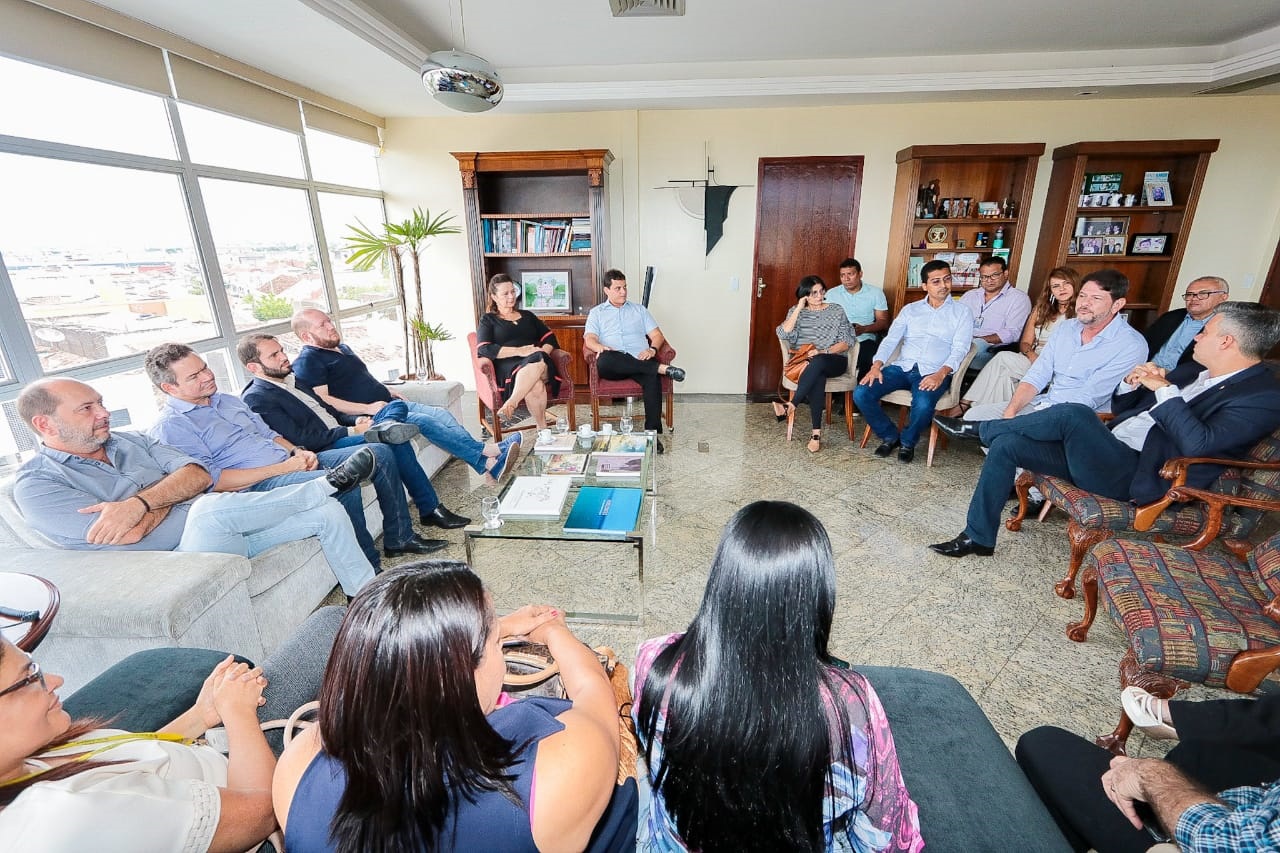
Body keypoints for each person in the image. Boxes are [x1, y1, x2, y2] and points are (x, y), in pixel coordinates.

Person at [273, 561, 635, 852]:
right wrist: (556, 632)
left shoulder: (297, 767)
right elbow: (593, 693)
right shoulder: (557, 772)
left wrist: (497, 627)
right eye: (495, 642)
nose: (501, 649)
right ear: (460, 675)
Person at [634, 501, 923, 851]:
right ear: (815, 596)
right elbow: (886, 833)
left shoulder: (654, 660)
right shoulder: (851, 706)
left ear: (723, 580)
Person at [929, 301, 1280, 558]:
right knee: (1008, 444)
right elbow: (1127, 409)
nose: (1197, 337)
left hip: (1144, 476)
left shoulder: (1262, 396)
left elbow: (1199, 444)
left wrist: (1163, 389)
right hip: (1108, 453)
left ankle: (979, 429)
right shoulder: (1192, 372)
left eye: (1205, 331)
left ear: (1227, 342)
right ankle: (978, 538)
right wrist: (1132, 384)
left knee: (1075, 414)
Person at [0, 607, 343, 851]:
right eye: (30, 677)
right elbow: (264, 811)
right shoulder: (68, 819)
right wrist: (238, 714)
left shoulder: (21, 761)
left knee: (334, 629)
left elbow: (137, 758)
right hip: (254, 788)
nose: (56, 681)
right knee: (350, 662)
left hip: (220, 755)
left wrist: (200, 715)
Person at [12, 378, 376, 596]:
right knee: (208, 507)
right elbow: (129, 534)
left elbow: (200, 475)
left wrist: (138, 502)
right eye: (87, 409)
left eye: (101, 404)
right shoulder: (38, 485)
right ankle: (321, 485)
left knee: (327, 512)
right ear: (46, 424)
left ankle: (366, 601)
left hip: (222, 532)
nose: (103, 413)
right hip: (173, 563)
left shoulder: (131, 441)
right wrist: (172, 490)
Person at [146, 343, 446, 566]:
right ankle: (370, 567)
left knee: (379, 452)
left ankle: (400, 538)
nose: (207, 376)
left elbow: (267, 434)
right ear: (169, 387)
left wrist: (296, 451)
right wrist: (285, 467)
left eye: (204, 368)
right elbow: (214, 482)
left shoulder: (225, 400)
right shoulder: (173, 427)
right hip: (256, 486)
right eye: (194, 376)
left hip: (288, 462)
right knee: (344, 482)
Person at [237, 333, 470, 532]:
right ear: (254, 367)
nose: (284, 357)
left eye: (281, 350)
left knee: (394, 406)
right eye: (274, 355)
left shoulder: (292, 380)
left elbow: (329, 411)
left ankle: (386, 425)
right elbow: (303, 440)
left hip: (343, 430)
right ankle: (428, 509)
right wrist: (350, 430)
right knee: (395, 442)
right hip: (327, 446)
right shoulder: (257, 397)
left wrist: (355, 419)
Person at [1017, 690, 1280, 852]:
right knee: (1201, 752)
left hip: (1210, 837)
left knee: (1044, 745)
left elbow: (1225, 843)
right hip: (1261, 797)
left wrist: (1151, 777)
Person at [289, 308, 522, 480]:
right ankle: (489, 457)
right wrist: (368, 409)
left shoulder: (342, 348)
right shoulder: (309, 361)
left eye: (329, 321)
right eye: (322, 325)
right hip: (376, 415)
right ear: (306, 336)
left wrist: (389, 390)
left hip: (389, 402)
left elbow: (358, 379)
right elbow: (325, 400)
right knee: (426, 421)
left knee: (442, 415)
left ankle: (490, 457)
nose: (331, 326)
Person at [959, 269, 1146, 422]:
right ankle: (1019, 457)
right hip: (1045, 403)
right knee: (976, 417)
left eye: (1096, 298)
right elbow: (1038, 374)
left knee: (1007, 438)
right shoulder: (1067, 328)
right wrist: (1010, 413)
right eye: (1082, 296)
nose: (1085, 304)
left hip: (1078, 417)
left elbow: (1090, 397)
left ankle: (1023, 458)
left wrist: (1035, 419)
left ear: (1117, 304)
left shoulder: (1131, 345)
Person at [853, 260, 974, 463]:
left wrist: (941, 373)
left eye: (947, 279)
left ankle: (908, 441)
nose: (943, 285)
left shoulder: (962, 312)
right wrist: (876, 366)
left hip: (934, 371)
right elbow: (891, 339)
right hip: (902, 367)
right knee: (862, 392)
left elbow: (960, 349)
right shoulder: (910, 310)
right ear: (925, 286)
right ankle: (890, 436)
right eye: (936, 281)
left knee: (924, 403)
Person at [583, 269, 687, 452]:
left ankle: (652, 435)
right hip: (613, 362)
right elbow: (589, 339)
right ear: (606, 290)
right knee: (606, 360)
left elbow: (657, 336)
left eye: (625, 287)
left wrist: (652, 349)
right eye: (617, 288)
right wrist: (600, 348)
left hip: (641, 360)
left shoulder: (639, 310)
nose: (623, 292)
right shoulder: (597, 313)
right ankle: (660, 368)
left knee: (651, 378)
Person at [959, 267, 1079, 413]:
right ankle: (993, 418)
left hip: (1058, 365)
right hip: (1033, 358)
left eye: (1066, 284)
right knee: (1003, 376)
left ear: (1075, 284)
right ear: (1050, 290)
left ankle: (967, 406)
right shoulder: (1041, 309)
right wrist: (1032, 355)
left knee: (1003, 359)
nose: (1062, 289)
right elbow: (1024, 343)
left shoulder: (1082, 313)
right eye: (1056, 286)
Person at [775, 275, 856, 453]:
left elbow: (847, 341)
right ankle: (816, 435)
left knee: (818, 361)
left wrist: (823, 352)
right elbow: (783, 333)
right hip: (808, 364)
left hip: (834, 360)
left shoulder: (836, 310)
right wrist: (799, 307)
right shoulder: (796, 311)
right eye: (813, 293)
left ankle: (791, 405)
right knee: (817, 374)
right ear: (805, 295)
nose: (819, 296)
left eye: (821, 291)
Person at [476, 273, 567, 429]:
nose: (511, 296)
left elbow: (550, 338)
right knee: (536, 385)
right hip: (509, 367)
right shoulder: (488, 320)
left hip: (539, 360)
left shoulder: (528, 316)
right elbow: (484, 349)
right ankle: (542, 429)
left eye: (513, 291)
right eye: (505, 293)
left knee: (537, 358)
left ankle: (511, 402)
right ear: (494, 297)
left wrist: (543, 353)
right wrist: (521, 351)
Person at [957, 255, 1031, 371]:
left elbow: (1013, 333)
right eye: (984, 277)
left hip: (989, 349)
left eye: (994, 275)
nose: (989, 280)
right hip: (962, 342)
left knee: (976, 346)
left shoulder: (1019, 298)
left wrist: (979, 339)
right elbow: (953, 321)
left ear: (1005, 274)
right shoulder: (970, 295)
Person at [1143, 276, 1231, 371]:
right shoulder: (1170, 317)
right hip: (1145, 371)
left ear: (1223, 297)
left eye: (1203, 294)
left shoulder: (1225, 327)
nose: (1194, 298)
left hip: (1181, 381)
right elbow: (1144, 344)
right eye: (1189, 294)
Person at [822, 257, 889, 381]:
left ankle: (858, 395)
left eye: (850, 274)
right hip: (837, 340)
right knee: (825, 358)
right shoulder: (831, 294)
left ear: (860, 274)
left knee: (870, 357)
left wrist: (864, 329)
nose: (846, 279)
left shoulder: (875, 293)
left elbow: (883, 322)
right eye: (842, 275)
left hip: (864, 338)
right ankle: (836, 396)